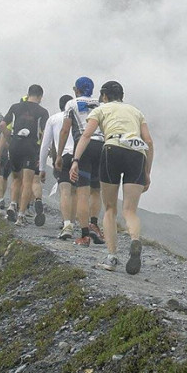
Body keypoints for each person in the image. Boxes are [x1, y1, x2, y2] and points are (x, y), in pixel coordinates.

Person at [69, 80, 153, 274]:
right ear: (122, 95)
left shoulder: (101, 109)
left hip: (112, 148)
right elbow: (148, 141)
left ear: (104, 96)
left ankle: (112, 257)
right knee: (130, 210)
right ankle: (134, 240)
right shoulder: (136, 112)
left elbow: (87, 135)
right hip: (137, 152)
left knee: (110, 208)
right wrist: (147, 172)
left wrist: (75, 160)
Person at [61, 76, 106, 246]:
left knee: (82, 192)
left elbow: (65, 130)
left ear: (77, 89)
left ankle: (84, 234)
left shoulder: (71, 104)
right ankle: (94, 224)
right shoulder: (100, 103)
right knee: (96, 190)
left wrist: (59, 154)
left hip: (84, 145)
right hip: (101, 145)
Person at [0, 85, 49, 226]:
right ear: (40, 97)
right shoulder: (42, 112)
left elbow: (2, 125)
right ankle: (21, 216)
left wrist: (10, 139)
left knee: (16, 179)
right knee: (27, 182)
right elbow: (44, 133)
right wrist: (42, 150)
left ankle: (12, 205)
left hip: (15, 145)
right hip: (30, 146)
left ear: (28, 94)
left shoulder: (15, 107)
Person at [41, 93, 78, 239]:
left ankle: (67, 223)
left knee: (64, 191)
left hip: (63, 157)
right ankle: (73, 224)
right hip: (78, 156)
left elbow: (45, 145)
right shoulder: (79, 117)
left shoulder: (53, 119)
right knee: (74, 192)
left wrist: (42, 168)